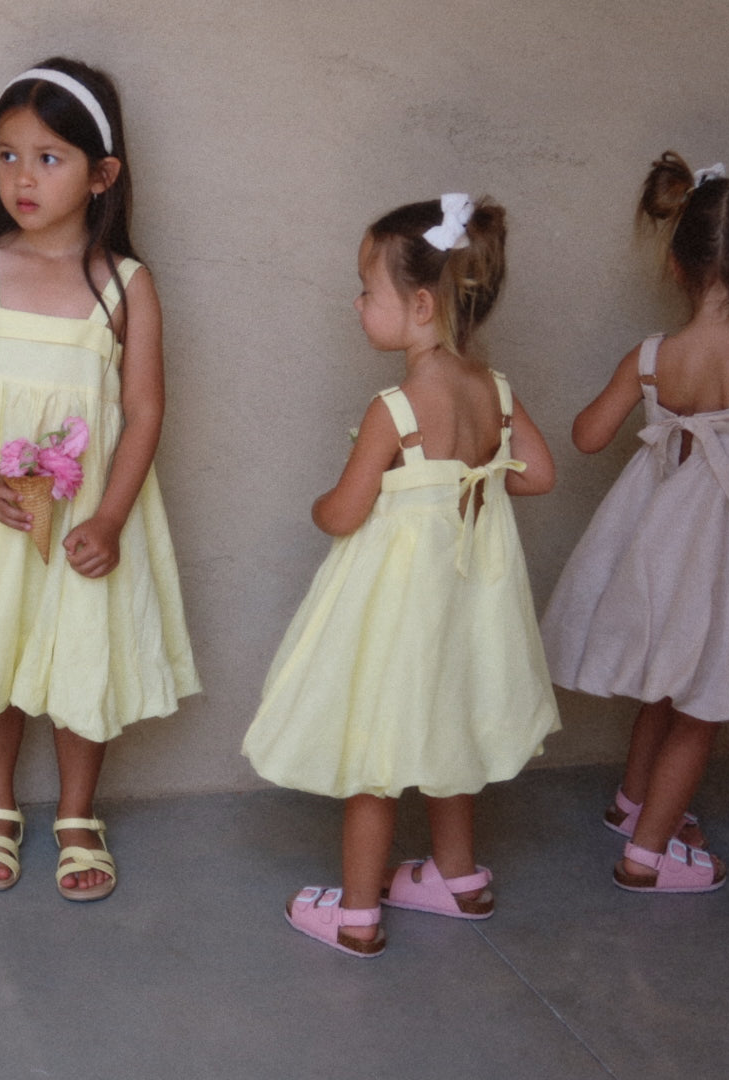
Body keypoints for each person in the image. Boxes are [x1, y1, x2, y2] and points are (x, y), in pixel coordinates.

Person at [242, 195, 558, 956]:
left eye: (367, 290)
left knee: (374, 748)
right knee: (451, 725)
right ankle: (457, 876)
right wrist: (466, 486)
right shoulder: (494, 390)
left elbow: (345, 512)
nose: (358, 304)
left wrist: (324, 504)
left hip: (399, 609)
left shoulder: (397, 407)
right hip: (467, 603)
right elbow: (540, 475)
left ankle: (356, 914)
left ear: (420, 305)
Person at [0, 58, 199, 902]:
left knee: (82, 649)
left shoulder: (126, 285)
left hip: (89, 510)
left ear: (101, 174)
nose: (22, 177)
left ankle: (78, 813)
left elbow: (143, 409)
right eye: (8, 155)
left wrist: (109, 517)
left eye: (48, 158)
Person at [541, 153, 729, 893]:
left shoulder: (649, 357)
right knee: (703, 704)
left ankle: (632, 803)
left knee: (663, 683)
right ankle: (648, 856)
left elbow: (587, 436)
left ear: (676, 265)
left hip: (653, 545)